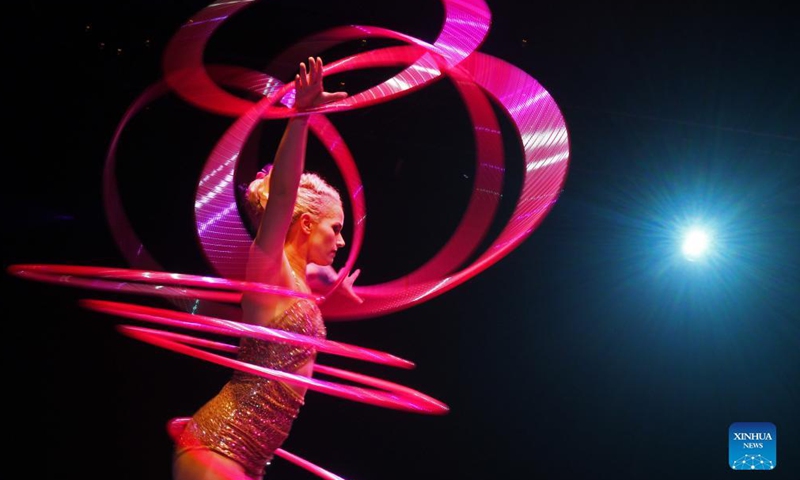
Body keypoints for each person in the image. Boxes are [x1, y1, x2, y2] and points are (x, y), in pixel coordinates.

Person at [172, 56, 355, 480]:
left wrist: (333, 284)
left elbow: (315, 280)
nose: (342, 242)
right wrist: (301, 117)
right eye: (336, 229)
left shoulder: (301, 280)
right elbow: (284, 194)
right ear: (305, 224)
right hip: (220, 445)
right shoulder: (269, 267)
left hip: (249, 458)